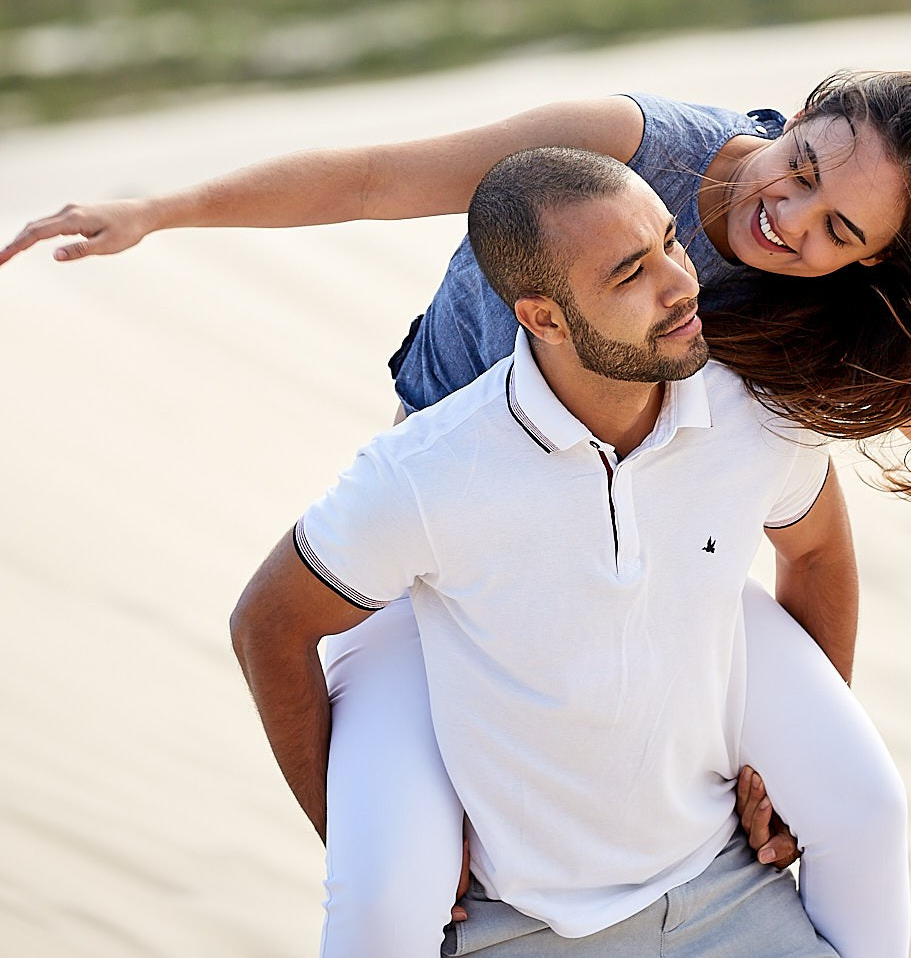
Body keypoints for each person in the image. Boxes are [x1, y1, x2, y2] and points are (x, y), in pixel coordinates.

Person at [0, 72, 911, 954]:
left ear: (865, 259)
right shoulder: (619, 151)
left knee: (863, 806)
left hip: (661, 534)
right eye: (800, 167)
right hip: (460, 536)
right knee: (381, 897)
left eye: (835, 228)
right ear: (797, 114)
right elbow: (383, 176)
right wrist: (162, 210)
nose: (786, 217)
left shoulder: (808, 307)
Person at [234, 147, 864, 954]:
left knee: (875, 811)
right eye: (631, 272)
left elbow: (817, 552)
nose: (681, 283)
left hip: (732, 890)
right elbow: (267, 623)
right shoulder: (428, 472)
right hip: (511, 925)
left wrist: (790, 767)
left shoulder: (752, 417)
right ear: (544, 318)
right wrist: (355, 833)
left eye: (671, 242)